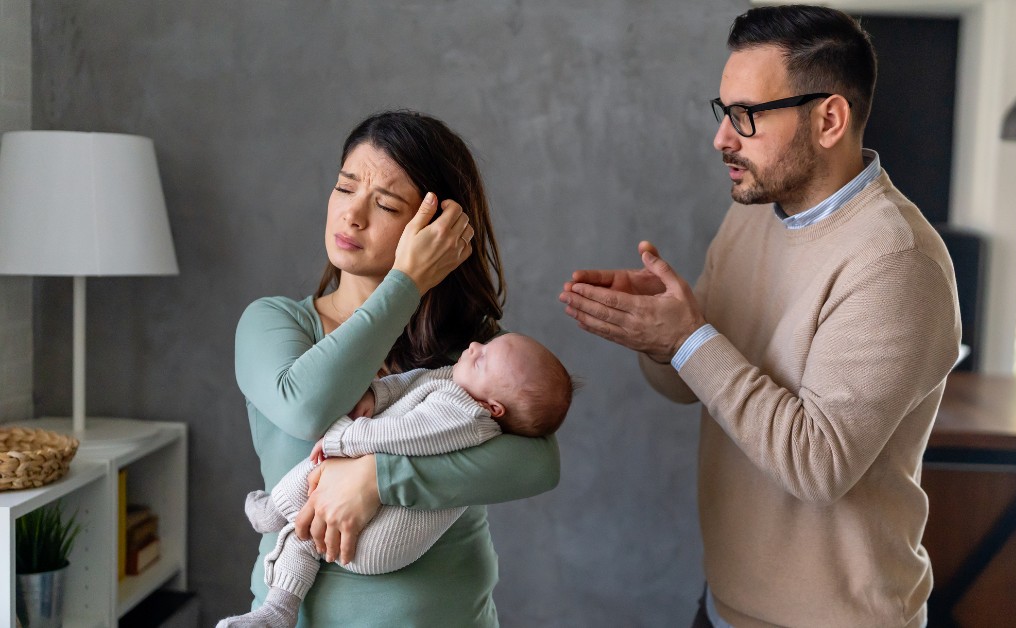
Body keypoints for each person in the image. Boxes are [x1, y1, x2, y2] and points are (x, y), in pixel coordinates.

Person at [559, 6, 960, 627]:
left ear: (829, 119)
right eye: (723, 113)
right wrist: (660, 333)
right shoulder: (750, 213)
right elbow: (690, 385)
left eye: (746, 116)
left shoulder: (897, 261)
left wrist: (690, 338)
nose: (722, 138)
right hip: (725, 605)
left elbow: (816, 464)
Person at [234, 110, 560, 627]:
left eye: (385, 204)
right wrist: (406, 282)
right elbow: (306, 407)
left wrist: (378, 478)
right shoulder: (272, 323)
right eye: (345, 189)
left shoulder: (471, 350)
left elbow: (540, 465)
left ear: (436, 229)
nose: (353, 215)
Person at [221, 333, 574, 628]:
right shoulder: (459, 383)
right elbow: (414, 382)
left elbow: (404, 433)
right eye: (484, 345)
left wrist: (342, 439)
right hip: (377, 538)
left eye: (482, 359)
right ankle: (278, 611)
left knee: (320, 468)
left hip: (384, 539)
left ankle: (275, 508)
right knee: (305, 535)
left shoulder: (466, 415)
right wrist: (377, 395)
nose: (474, 346)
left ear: (495, 407)